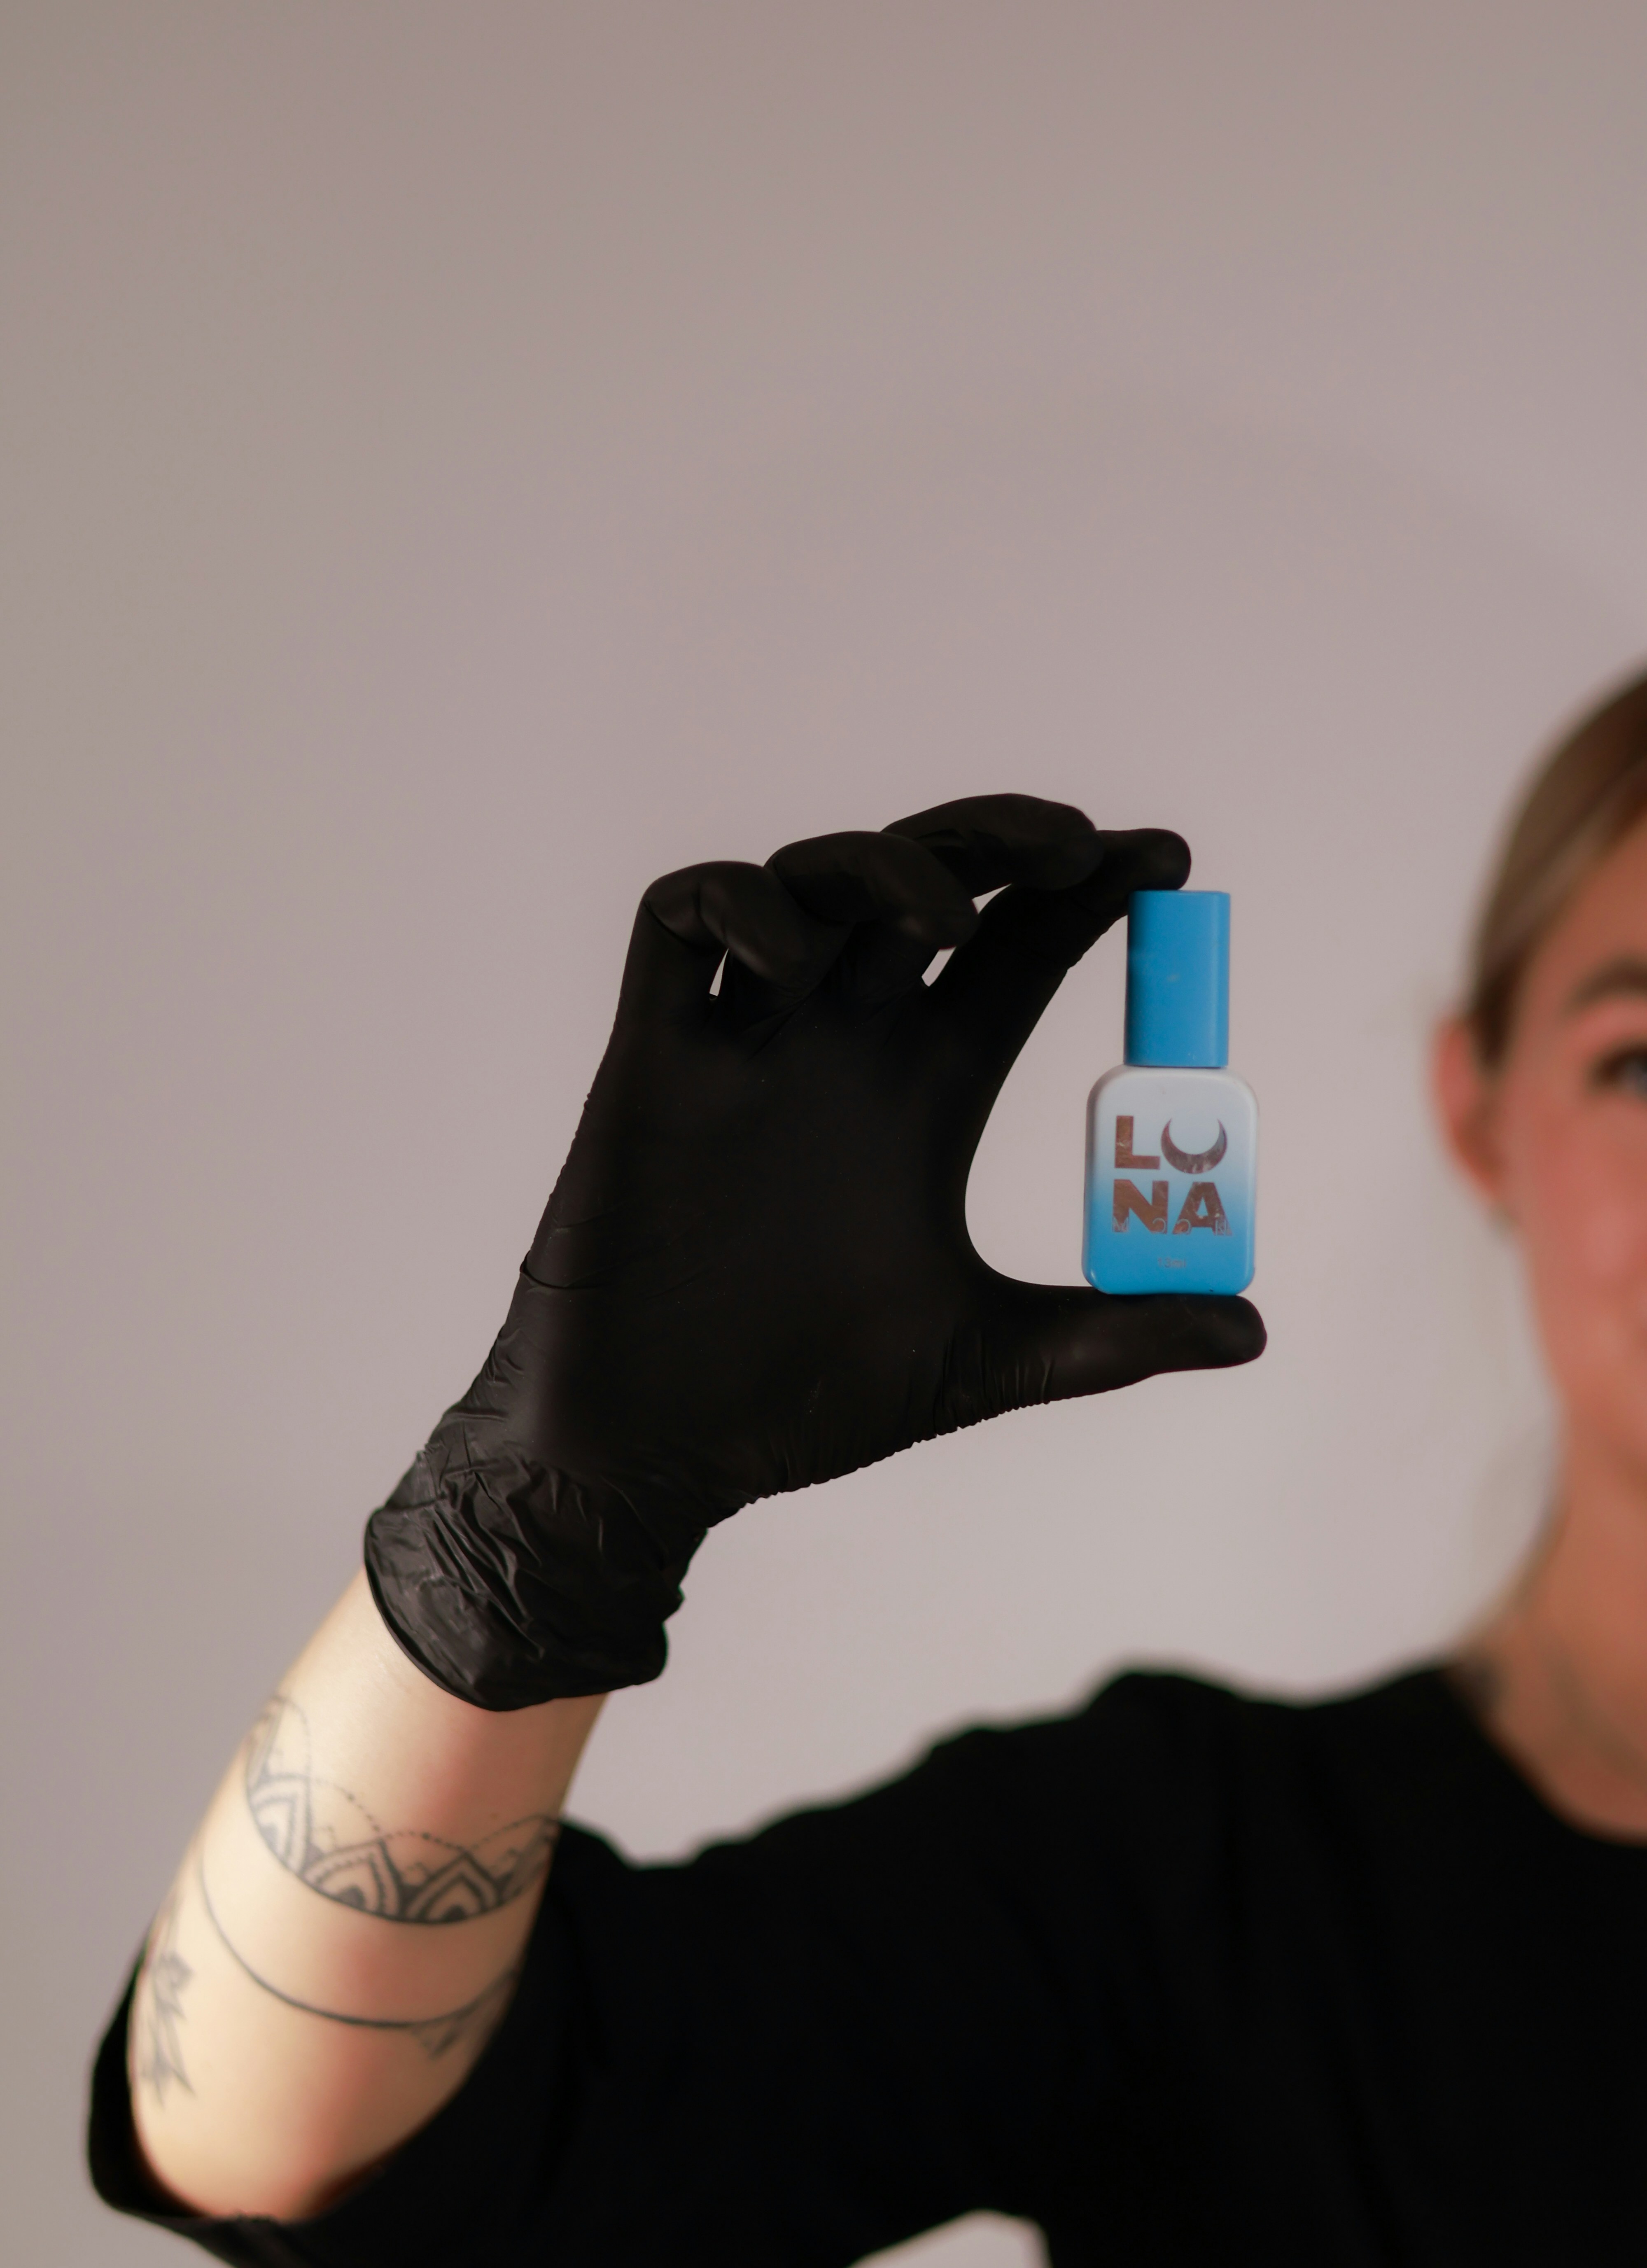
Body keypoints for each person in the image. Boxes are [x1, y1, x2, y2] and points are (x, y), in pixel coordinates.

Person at [89, 676, 1647, 2265]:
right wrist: (525, 1545)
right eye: (1641, 1061)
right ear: (1481, 1106)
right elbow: (280, 2154)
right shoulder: (1196, 1881)